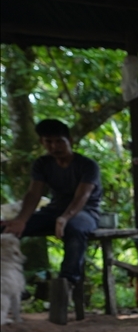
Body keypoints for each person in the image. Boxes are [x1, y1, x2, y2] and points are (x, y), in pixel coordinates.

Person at [1, 119, 102, 300]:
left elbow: (82, 196)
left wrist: (65, 218)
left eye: (59, 141)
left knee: (75, 229)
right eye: (49, 142)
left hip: (85, 212)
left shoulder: (87, 165)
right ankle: (12, 282)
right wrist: (21, 220)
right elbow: (34, 194)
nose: (54, 147)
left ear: (69, 141)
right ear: (42, 142)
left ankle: (66, 282)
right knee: (6, 229)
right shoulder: (42, 164)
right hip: (52, 211)